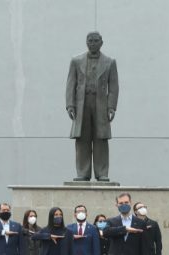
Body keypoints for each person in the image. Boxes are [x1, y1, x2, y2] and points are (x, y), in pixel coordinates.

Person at [66, 31, 119, 182]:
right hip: (82, 104)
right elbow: (70, 84)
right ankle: (83, 172)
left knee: (100, 139)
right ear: (86, 42)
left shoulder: (110, 62)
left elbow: (113, 87)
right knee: (82, 139)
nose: (93, 43)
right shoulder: (76, 61)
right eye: (90, 41)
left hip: (101, 104)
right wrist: (70, 105)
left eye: (96, 41)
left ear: (101, 43)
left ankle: (102, 172)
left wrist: (111, 107)